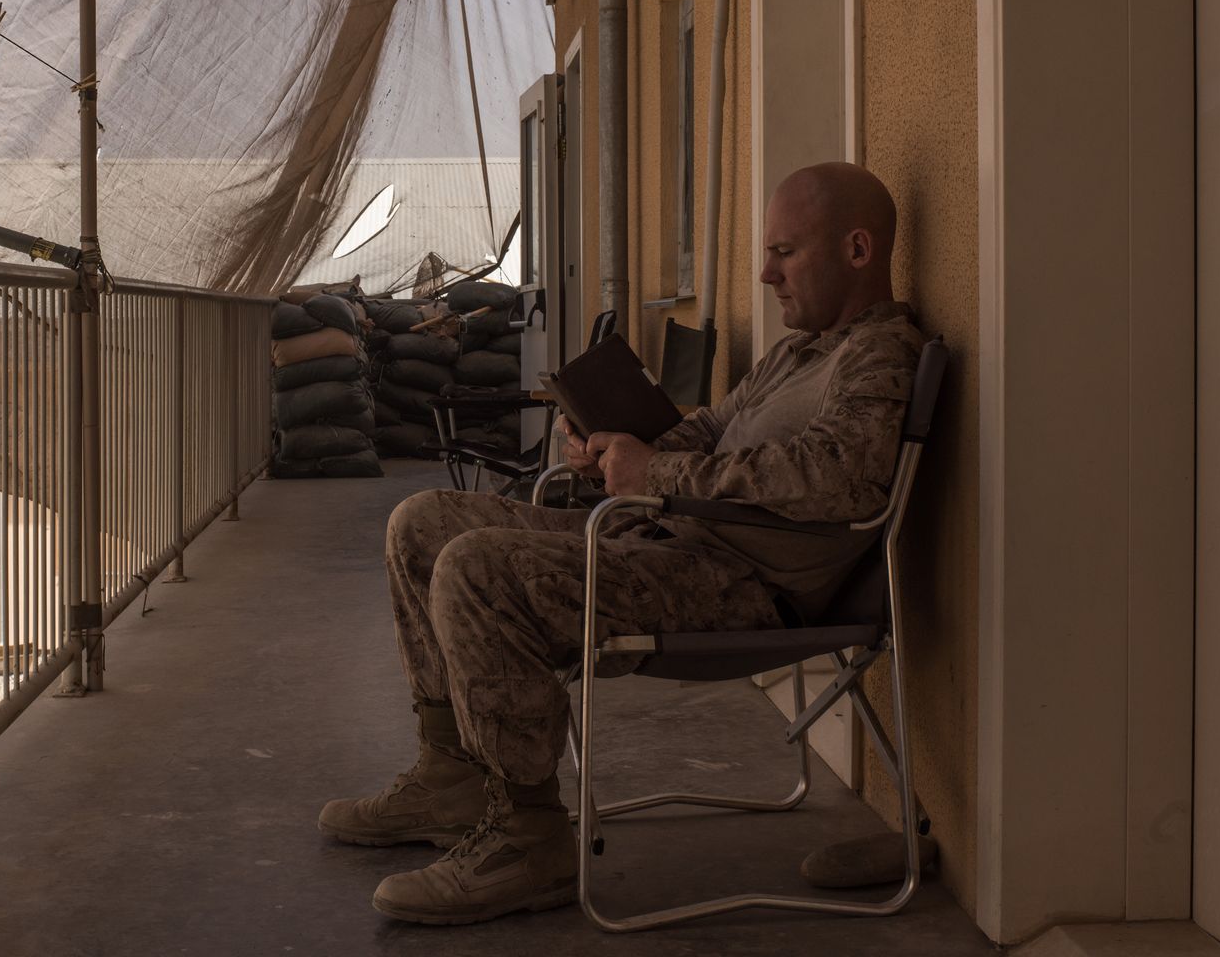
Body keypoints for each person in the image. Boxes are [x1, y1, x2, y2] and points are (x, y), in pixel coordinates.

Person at [318, 161, 927, 925]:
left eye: (786, 252)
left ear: (859, 251)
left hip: (738, 582)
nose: (766, 273)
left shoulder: (879, 356)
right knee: (424, 521)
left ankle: (526, 838)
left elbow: (843, 479)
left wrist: (657, 469)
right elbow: (708, 431)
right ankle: (450, 776)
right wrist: (616, 444)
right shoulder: (798, 353)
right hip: (665, 542)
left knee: (477, 569)